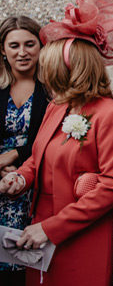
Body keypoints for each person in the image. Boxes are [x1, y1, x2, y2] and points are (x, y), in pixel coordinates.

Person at [0, 0, 113, 286]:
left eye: (50, 68)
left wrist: (50, 229)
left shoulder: (111, 116)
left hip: (81, 231)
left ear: (70, 69)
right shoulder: (56, 106)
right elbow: (38, 156)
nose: (44, 75)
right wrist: (21, 178)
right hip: (38, 227)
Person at [0, 16, 45, 285]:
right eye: (14, 45)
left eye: (30, 44)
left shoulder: (51, 89)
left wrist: (13, 156)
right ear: (3, 50)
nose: (22, 52)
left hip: (34, 185)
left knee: (25, 267)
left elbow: (51, 136)